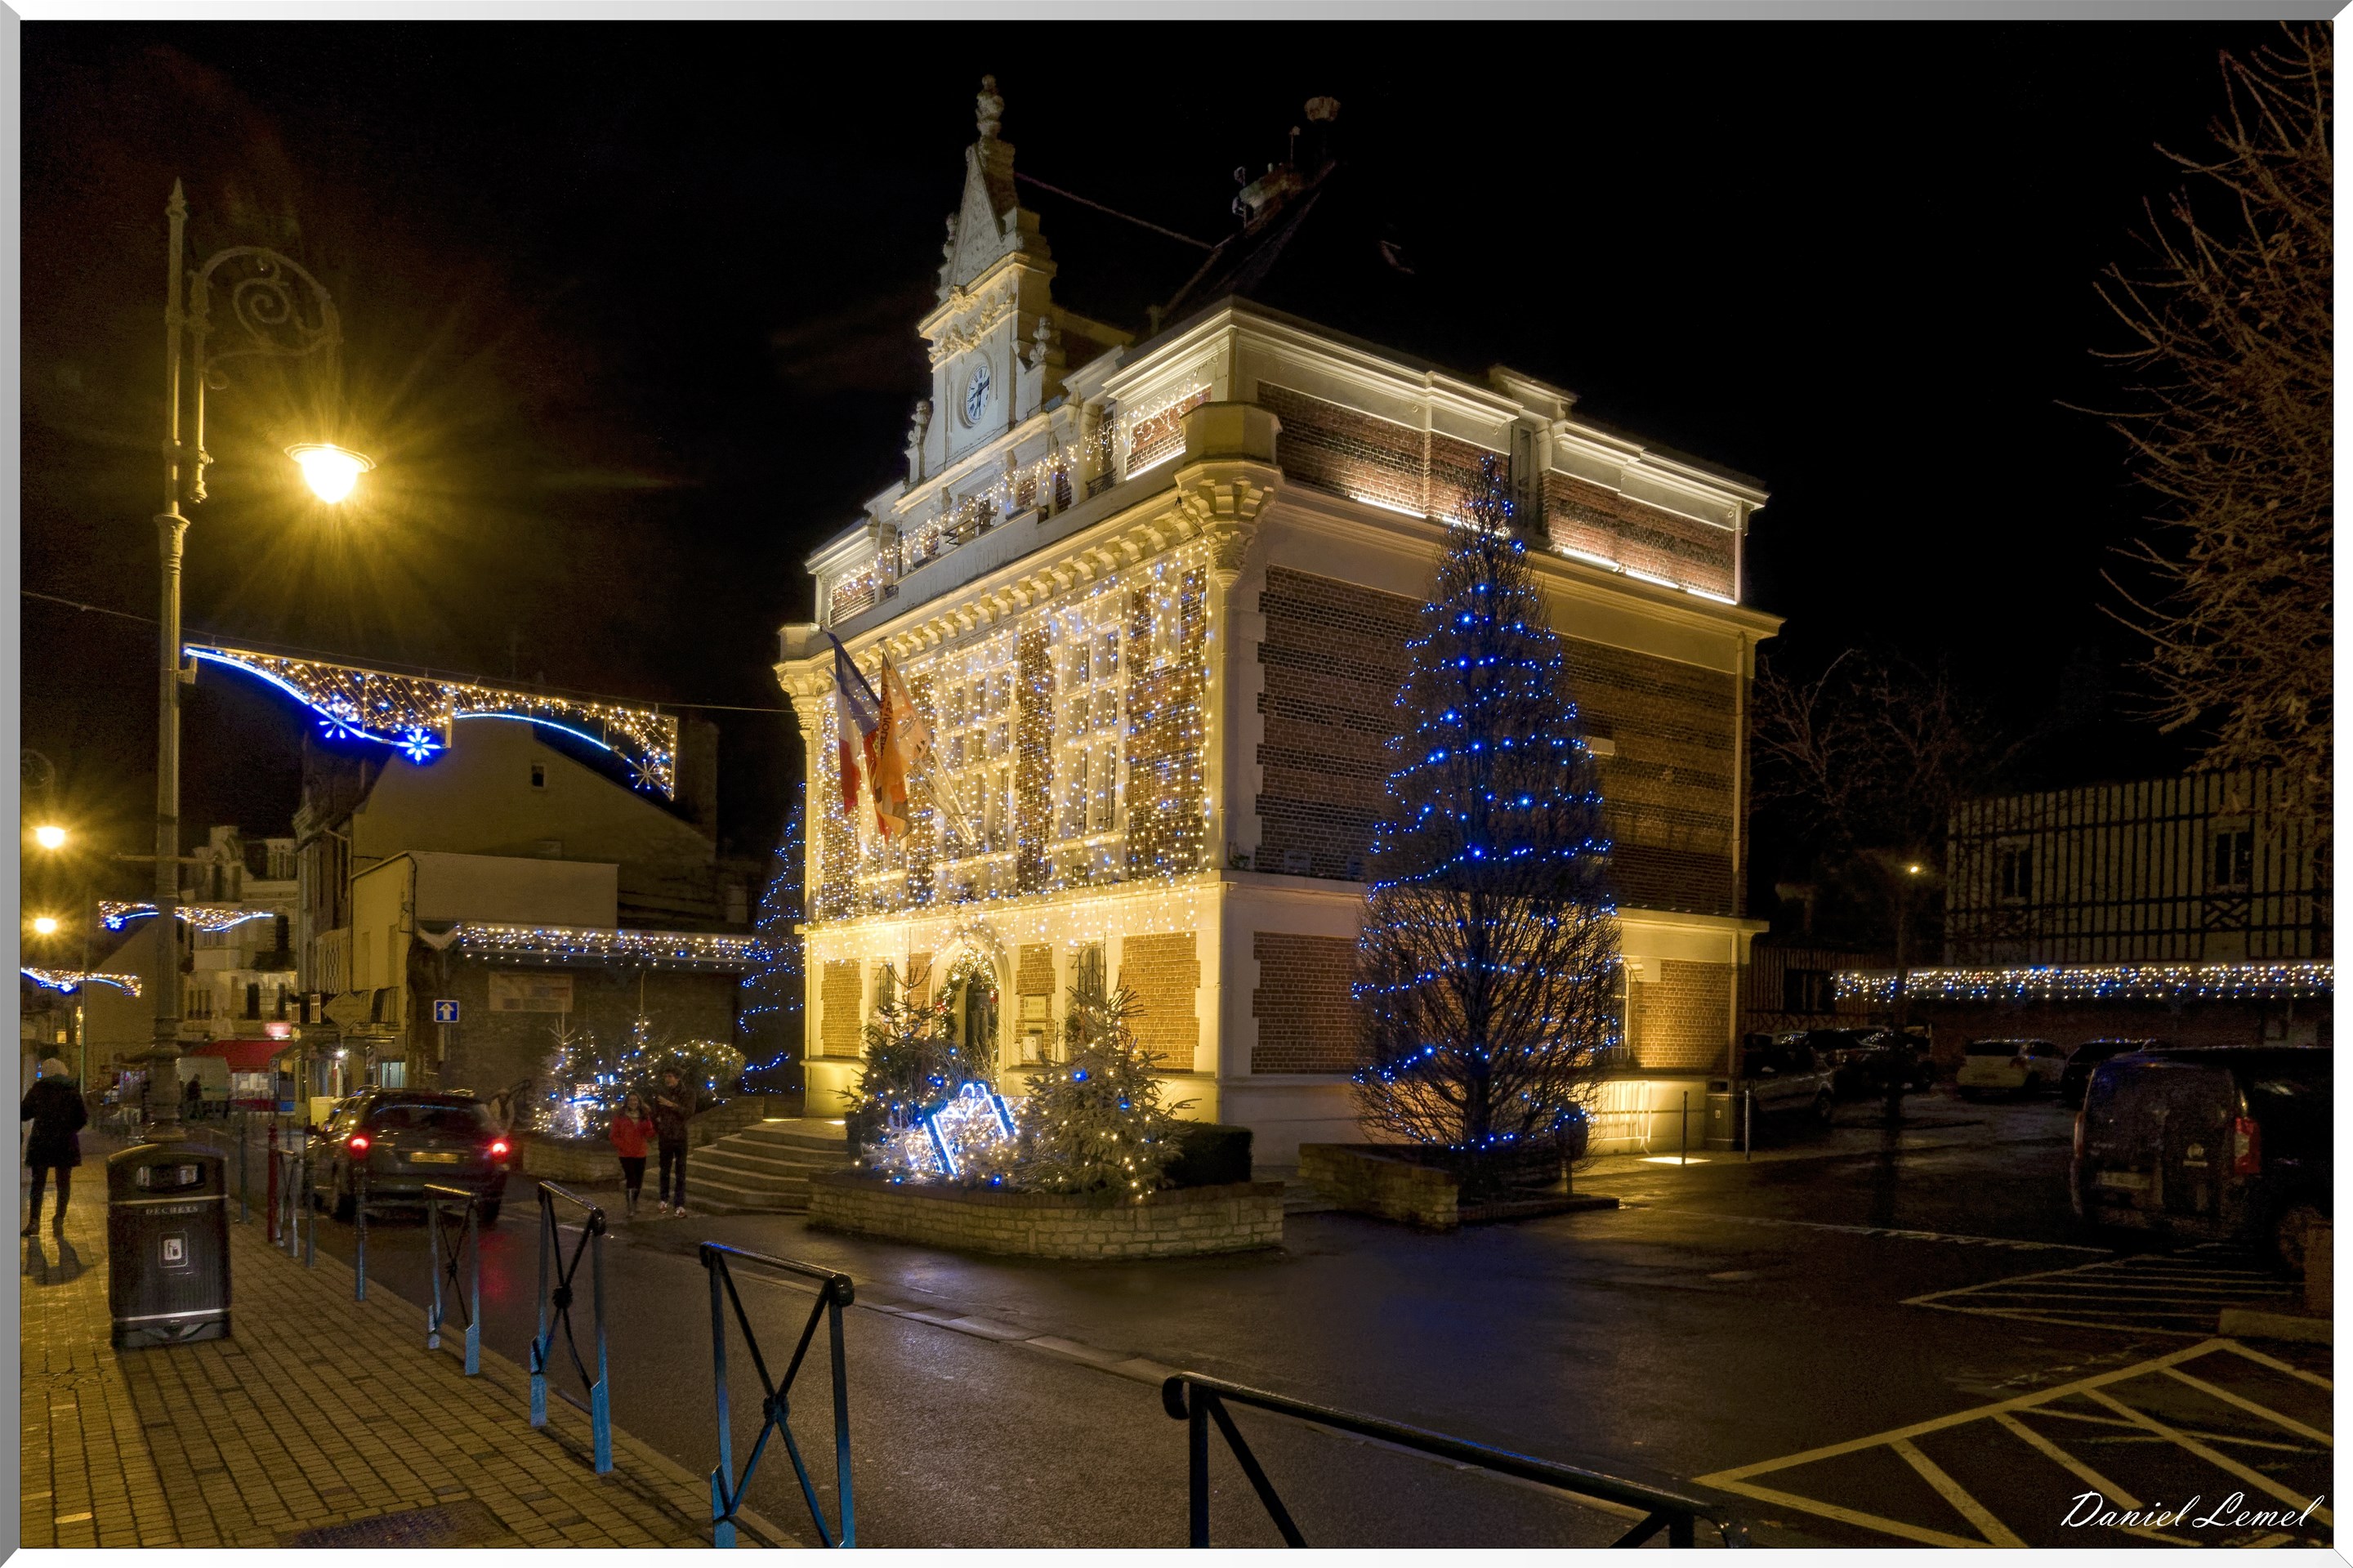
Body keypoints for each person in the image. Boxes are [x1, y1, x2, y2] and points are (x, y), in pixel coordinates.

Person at [23, 1058, 87, 1238]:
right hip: (65, 1143)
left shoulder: (38, 1090)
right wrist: (69, 1129)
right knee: (63, 1182)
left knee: (38, 1183)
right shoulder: (71, 1090)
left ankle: (34, 1222)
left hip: (41, 1142)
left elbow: (24, 1114)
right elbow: (82, 1117)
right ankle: (59, 1218)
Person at [651, 1068, 699, 1217]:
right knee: (664, 1170)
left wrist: (672, 1105)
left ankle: (679, 1204)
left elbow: (689, 1112)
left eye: (670, 1076)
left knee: (680, 1171)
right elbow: (654, 1113)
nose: (667, 1079)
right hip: (665, 1136)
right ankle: (663, 1199)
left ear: (677, 1078)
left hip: (680, 1137)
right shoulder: (662, 1093)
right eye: (666, 1076)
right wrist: (658, 1123)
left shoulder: (688, 1093)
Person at [608, 1093, 654, 1218]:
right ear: (627, 1102)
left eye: (635, 1100)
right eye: (631, 1100)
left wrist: (651, 1129)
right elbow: (613, 1135)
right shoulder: (620, 1117)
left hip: (640, 1152)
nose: (633, 1102)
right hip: (626, 1153)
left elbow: (649, 1133)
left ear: (639, 1102)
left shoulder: (644, 1116)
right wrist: (623, 1144)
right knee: (631, 1177)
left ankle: (635, 1201)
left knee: (639, 1179)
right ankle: (630, 1207)